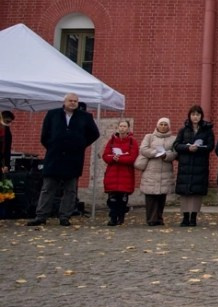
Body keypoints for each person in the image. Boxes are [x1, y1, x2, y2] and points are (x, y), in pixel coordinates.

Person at [27, 93, 101, 226]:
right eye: (70, 100)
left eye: (75, 101)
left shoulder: (85, 117)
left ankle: (65, 216)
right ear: (65, 101)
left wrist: (81, 144)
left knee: (70, 190)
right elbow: (44, 135)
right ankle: (41, 215)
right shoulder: (52, 114)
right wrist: (53, 145)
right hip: (54, 157)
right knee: (48, 188)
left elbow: (94, 133)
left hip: (74, 158)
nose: (73, 103)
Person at [173, 105, 214, 227]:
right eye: (193, 115)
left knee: (196, 192)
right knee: (185, 192)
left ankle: (193, 217)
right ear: (189, 116)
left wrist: (199, 148)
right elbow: (176, 145)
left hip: (199, 164)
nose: (195, 117)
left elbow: (210, 146)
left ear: (201, 116)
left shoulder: (207, 130)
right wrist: (187, 147)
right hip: (185, 164)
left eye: (197, 114)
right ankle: (185, 217)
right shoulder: (183, 130)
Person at [139, 117, 177, 226]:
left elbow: (175, 153)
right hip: (151, 169)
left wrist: (166, 155)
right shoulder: (149, 137)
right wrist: (155, 152)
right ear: (157, 125)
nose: (163, 126)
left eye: (165, 124)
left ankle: (159, 218)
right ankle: (151, 219)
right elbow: (143, 149)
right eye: (161, 124)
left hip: (165, 170)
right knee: (150, 196)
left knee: (161, 196)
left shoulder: (173, 139)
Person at [101, 119, 136, 226]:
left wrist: (119, 159)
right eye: (120, 126)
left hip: (125, 174)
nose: (122, 128)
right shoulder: (111, 141)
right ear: (117, 128)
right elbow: (105, 155)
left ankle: (121, 216)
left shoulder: (132, 141)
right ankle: (112, 218)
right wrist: (113, 158)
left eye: (124, 126)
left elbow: (132, 157)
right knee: (112, 199)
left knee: (122, 198)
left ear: (128, 128)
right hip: (112, 173)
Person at [0, 110, 14, 176]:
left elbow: (7, 149)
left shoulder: (7, 132)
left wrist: (6, 165)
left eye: (10, 122)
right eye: (7, 121)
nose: (9, 124)